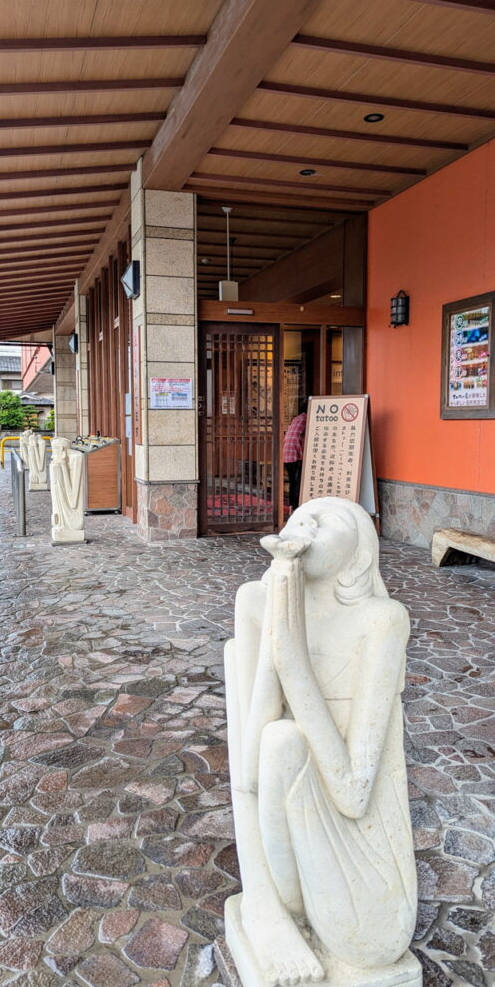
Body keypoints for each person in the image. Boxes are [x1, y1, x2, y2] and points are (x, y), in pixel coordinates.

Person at [224, 498, 418, 986]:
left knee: (377, 949)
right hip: (283, 838)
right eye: (300, 514)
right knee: (279, 741)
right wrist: (278, 630)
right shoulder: (258, 603)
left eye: (330, 518)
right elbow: (248, 774)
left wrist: (292, 658)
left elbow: (354, 794)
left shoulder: (382, 620)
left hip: (364, 854)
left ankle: (280, 914)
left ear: (360, 554)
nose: (307, 522)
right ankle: (267, 911)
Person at [283, 403, 308, 512]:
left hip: (287, 454)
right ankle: (298, 505)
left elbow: (293, 437)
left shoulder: (297, 418)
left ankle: (293, 506)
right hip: (295, 455)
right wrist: (300, 455)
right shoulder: (307, 419)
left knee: (294, 481)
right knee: (298, 482)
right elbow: (297, 439)